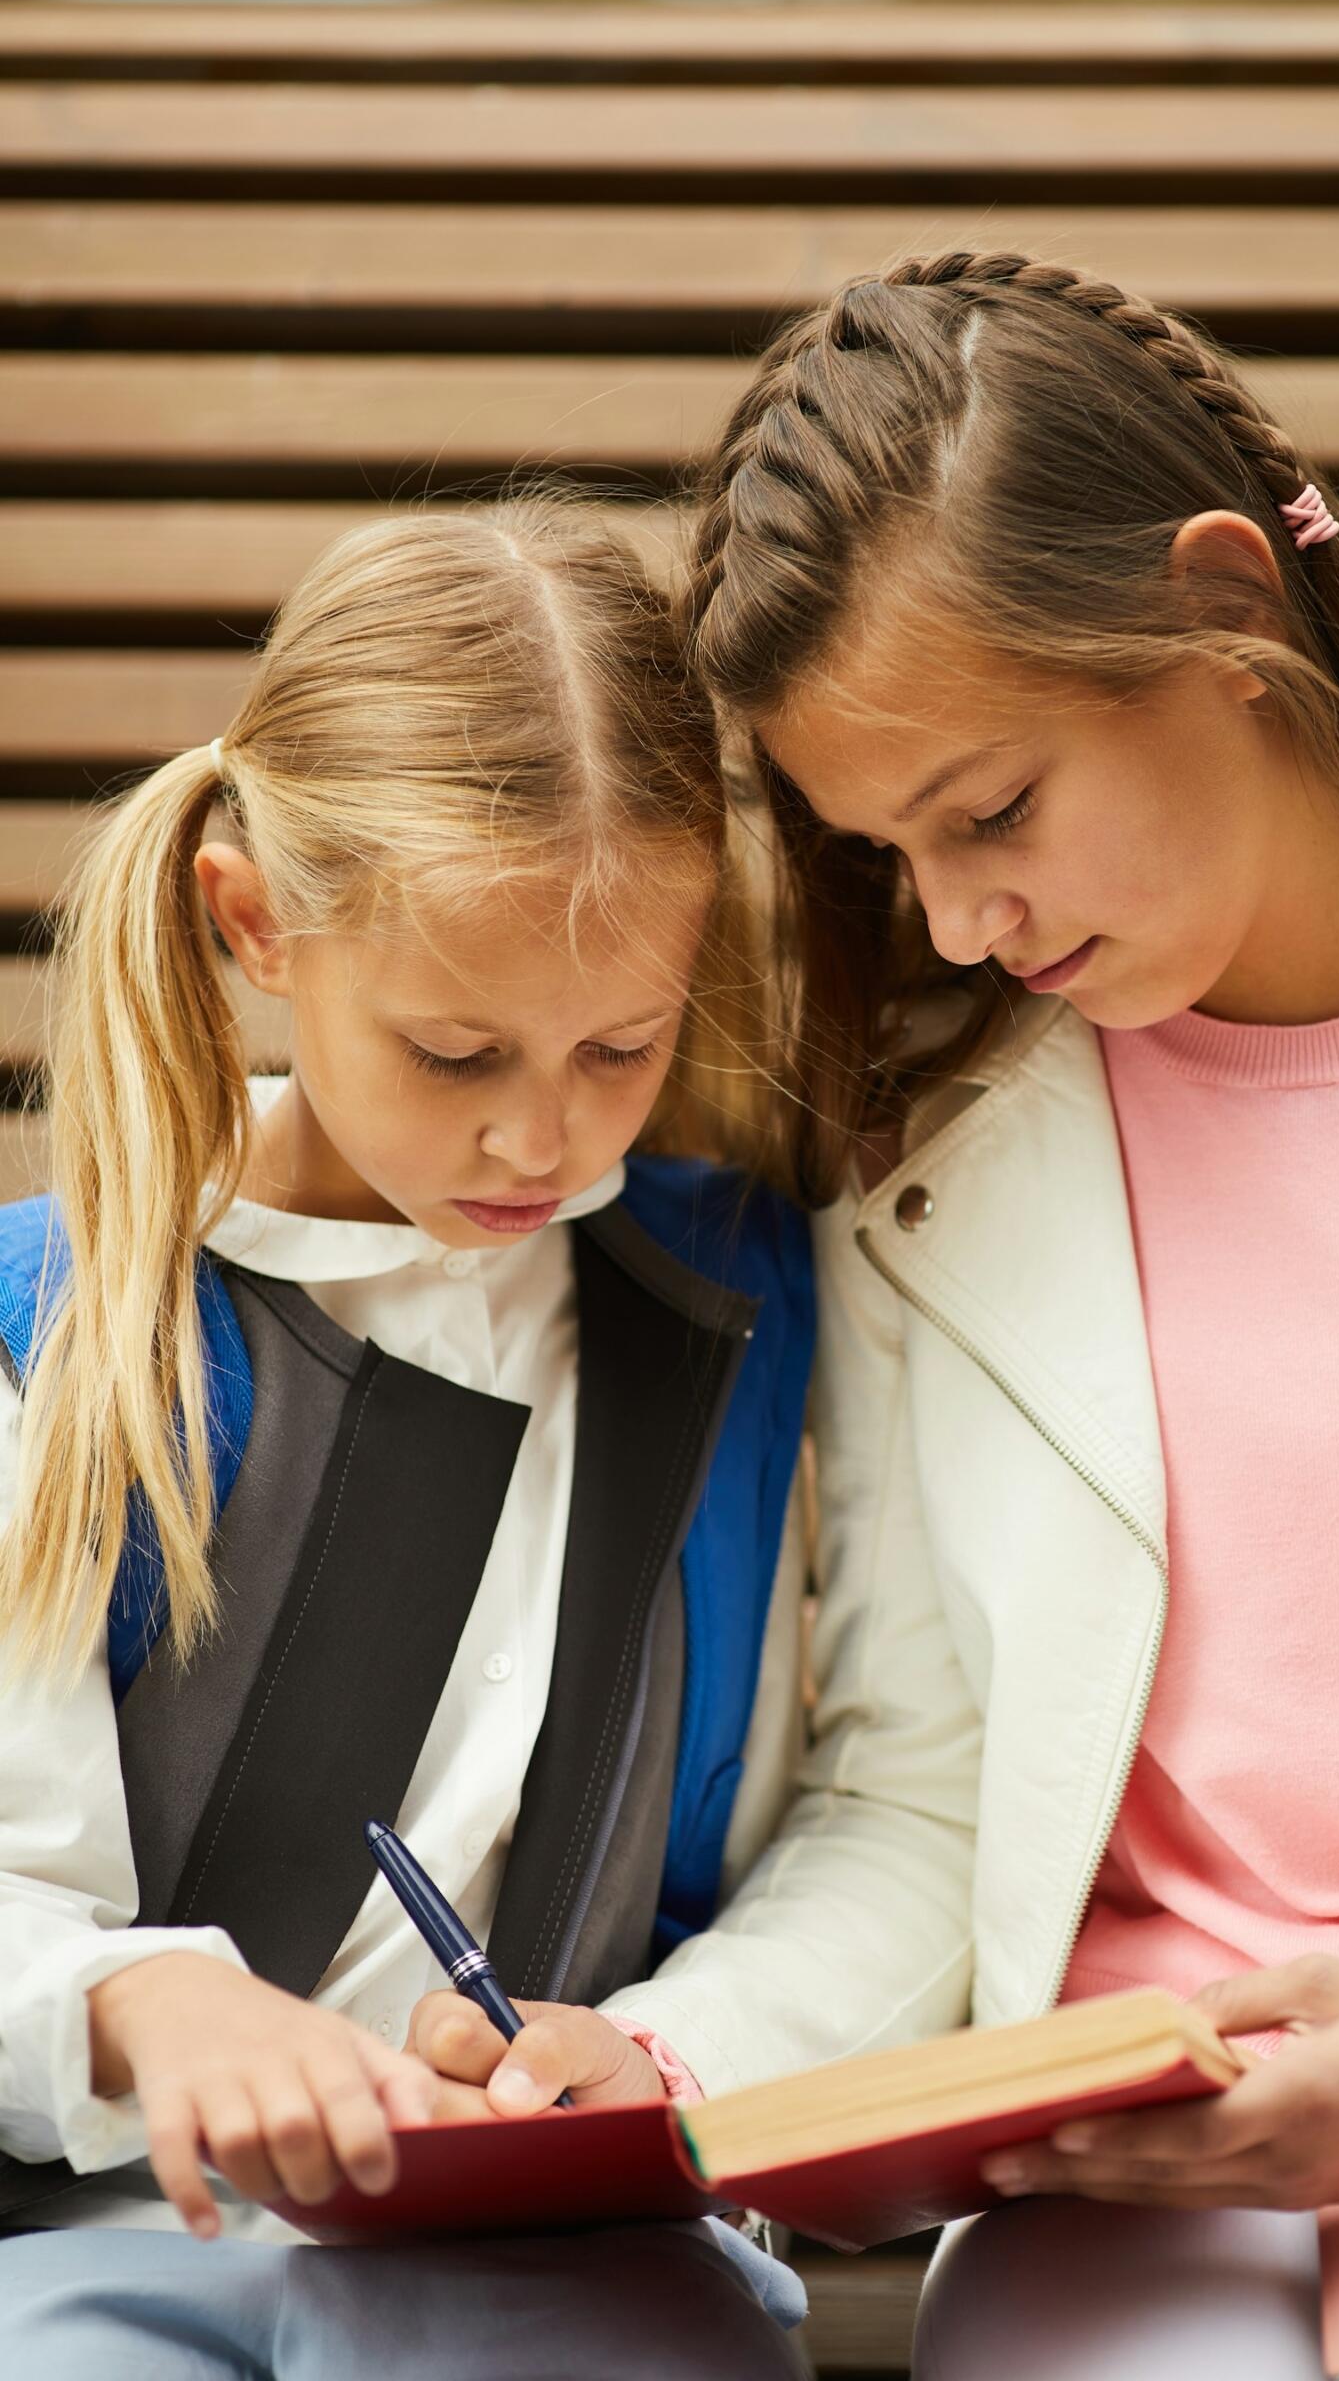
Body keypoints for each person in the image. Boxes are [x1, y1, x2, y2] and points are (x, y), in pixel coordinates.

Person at [499, 247, 1339, 2379]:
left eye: (991, 810)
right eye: (888, 857)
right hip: (1131, 2216)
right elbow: (923, 1807)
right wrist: (668, 2061)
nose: (961, 917)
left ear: (1226, 605)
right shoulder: (938, 1175)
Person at [0, 498, 813, 2377]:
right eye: (458, 1056)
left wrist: (675, 2051)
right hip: (96, 2240)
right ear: (255, 924)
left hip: (570, 2248)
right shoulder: (53, 1337)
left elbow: (864, 1815)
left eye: (620, 1049)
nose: (546, 1142)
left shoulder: (742, 1320)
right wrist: (141, 2009)